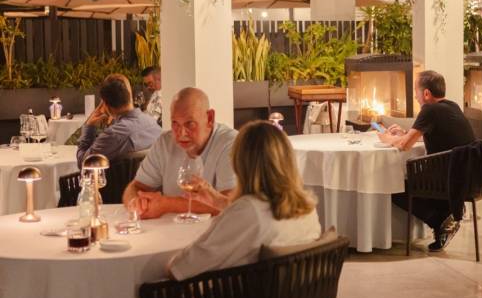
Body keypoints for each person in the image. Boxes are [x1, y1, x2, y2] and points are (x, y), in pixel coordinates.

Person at [167, 121, 321, 280]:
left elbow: (179, 269)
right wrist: (217, 199)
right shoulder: (308, 207)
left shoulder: (248, 211)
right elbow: (257, 216)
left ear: (239, 162)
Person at [377, 70, 475, 251]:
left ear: (426, 94)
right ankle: (447, 214)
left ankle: (439, 221)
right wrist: (404, 134)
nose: (415, 96)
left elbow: (405, 146)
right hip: (468, 174)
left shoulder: (429, 110)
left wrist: (387, 139)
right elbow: (431, 134)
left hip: (448, 176)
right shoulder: (452, 106)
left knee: (394, 186)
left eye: (416, 91)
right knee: (413, 177)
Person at [122, 87, 238, 219]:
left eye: (190, 123)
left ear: (210, 118)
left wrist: (166, 204)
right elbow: (135, 187)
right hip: (172, 233)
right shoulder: (165, 143)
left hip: (217, 234)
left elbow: (231, 205)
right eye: (175, 123)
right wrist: (136, 202)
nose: (181, 134)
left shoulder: (231, 143)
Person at [76, 74, 161, 167]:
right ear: (129, 96)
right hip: (150, 180)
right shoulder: (153, 124)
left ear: (105, 104)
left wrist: (89, 126)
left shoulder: (112, 135)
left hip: (116, 181)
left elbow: (83, 164)